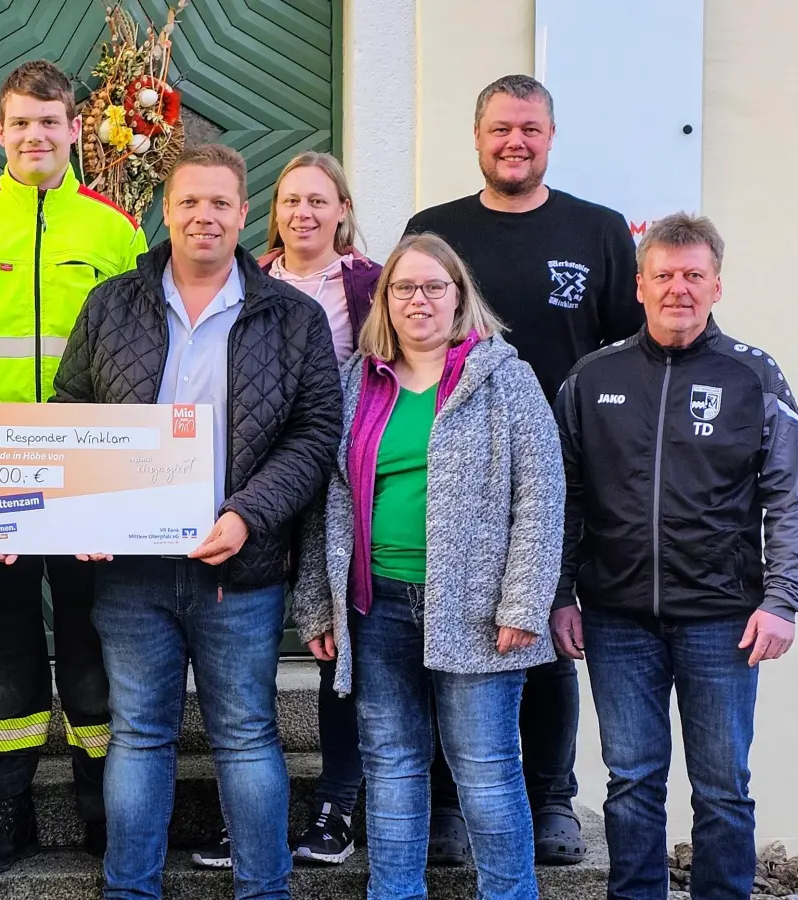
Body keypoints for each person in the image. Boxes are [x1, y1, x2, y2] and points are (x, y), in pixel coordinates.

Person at [52, 143, 342, 900]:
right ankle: (130, 890)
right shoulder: (112, 303)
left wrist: (249, 514)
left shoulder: (293, 316)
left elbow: (316, 434)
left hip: (237, 570)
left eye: (219, 203)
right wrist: (82, 508)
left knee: (245, 737)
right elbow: (70, 410)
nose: (203, 216)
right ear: (165, 211)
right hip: (132, 573)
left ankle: (264, 890)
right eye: (188, 202)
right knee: (140, 737)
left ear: (244, 215)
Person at [402, 73, 641, 866]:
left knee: (540, 628)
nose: (516, 142)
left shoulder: (601, 232)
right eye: (502, 128)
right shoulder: (433, 229)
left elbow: (629, 353)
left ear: (550, 136)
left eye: (531, 129)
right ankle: (443, 803)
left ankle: (550, 801)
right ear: (476, 138)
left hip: (563, 472)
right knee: (445, 635)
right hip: (452, 471)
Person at [0, 58, 147, 874]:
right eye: (20, 123)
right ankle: (2, 813)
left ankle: (100, 807)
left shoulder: (115, 230)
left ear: (75, 129)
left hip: (90, 469)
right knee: (2, 646)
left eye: (50, 122)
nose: (35, 136)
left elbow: (137, 352)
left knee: (96, 643)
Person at [292, 232, 564, 900]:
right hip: (375, 604)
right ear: (384, 301)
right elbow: (328, 498)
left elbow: (541, 494)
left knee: (487, 772)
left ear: (458, 296)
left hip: (476, 611)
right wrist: (317, 603)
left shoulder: (506, 379)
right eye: (403, 288)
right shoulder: (359, 380)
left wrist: (524, 602)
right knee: (391, 768)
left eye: (433, 287)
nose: (419, 300)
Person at [552, 213, 798, 900]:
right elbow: (565, 495)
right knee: (632, 783)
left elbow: (788, 497)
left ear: (716, 285)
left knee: (723, 790)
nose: (678, 289)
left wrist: (782, 600)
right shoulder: (592, 377)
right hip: (615, 619)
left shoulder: (754, 376)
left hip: (723, 622)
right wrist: (558, 595)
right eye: (663, 275)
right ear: (639, 286)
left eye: (693, 275)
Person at [191, 150, 379, 870]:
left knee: (338, 646)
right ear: (271, 213)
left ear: (342, 210)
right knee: (247, 648)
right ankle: (251, 812)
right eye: (291, 201)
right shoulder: (246, 281)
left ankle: (337, 804)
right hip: (258, 485)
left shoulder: (375, 283)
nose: (303, 213)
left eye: (318, 201)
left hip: (342, 482)